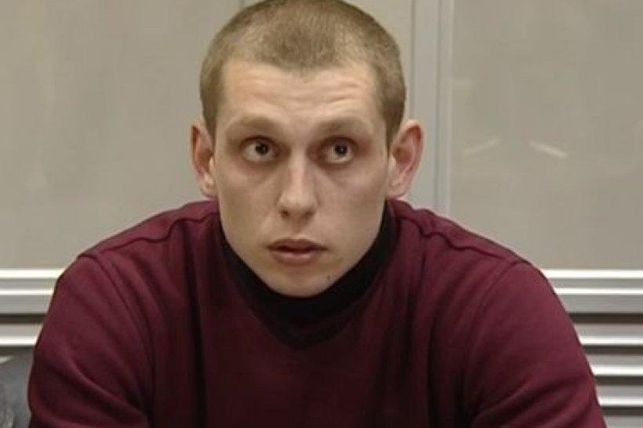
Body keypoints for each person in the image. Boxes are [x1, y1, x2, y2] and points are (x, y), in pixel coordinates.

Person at [28, 0, 605, 426]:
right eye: (261, 149)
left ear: (400, 161)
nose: (297, 200)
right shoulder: (118, 303)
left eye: (339, 150)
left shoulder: (496, 310)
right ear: (206, 159)